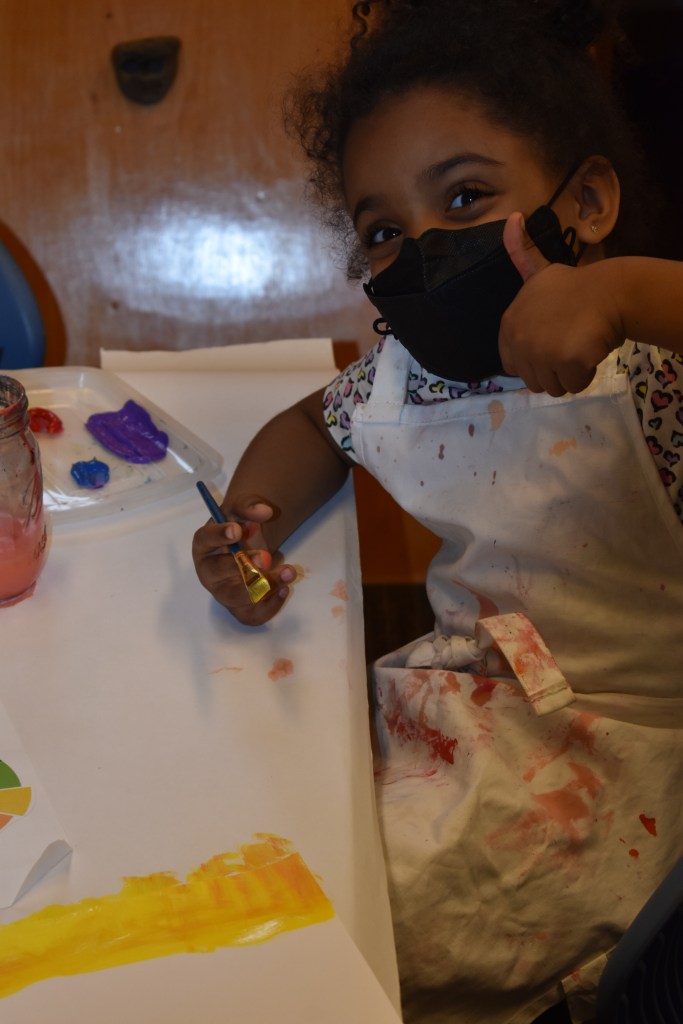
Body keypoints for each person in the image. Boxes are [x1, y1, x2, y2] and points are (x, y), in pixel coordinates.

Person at [192, 2, 683, 1021]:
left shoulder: (643, 369)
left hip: (618, 769)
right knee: (259, 811)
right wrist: (249, 519)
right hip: (466, 714)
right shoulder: (407, 378)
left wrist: (629, 293)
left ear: (586, 202)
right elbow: (313, 424)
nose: (423, 248)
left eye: (464, 197)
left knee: (328, 939)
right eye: (384, 231)